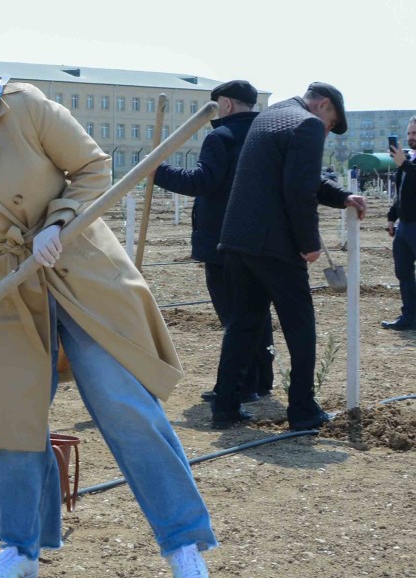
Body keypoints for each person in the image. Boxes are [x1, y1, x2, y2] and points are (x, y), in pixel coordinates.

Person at [0, 30, 216, 578]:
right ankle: (19, 549)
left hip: (76, 268)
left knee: (125, 406)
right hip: (2, 291)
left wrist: (60, 221)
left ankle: (182, 544)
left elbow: (92, 168)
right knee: (10, 423)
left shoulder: (23, 107)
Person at [212, 83, 367, 430]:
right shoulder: (307, 124)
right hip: (276, 245)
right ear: (323, 106)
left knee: (243, 324)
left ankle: (225, 406)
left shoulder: (270, 116)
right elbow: (299, 188)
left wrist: (343, 196)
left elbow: (296, 177)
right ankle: (303, 409)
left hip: (238, 239)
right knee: (300, 327)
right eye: (330, 123)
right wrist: (309, 242)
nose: (326, 131)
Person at [150, 80, 271, 403]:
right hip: (261, 240)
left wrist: (156, 169)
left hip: (222, 240)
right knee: (255, 311)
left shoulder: (221, 137)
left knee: (233, 315)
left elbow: (203, 181)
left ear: (227, 105)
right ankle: (261, 379)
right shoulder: (267, 135)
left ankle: (242, 385)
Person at [383, 118, 416, 329]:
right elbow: (401, 193)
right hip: (404, 226)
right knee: (403, 273)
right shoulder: (407, 161)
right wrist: (391, 216)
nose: (412, 138)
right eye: (410, 134)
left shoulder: (406, 163)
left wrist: (404, 164)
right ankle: (409, 317)